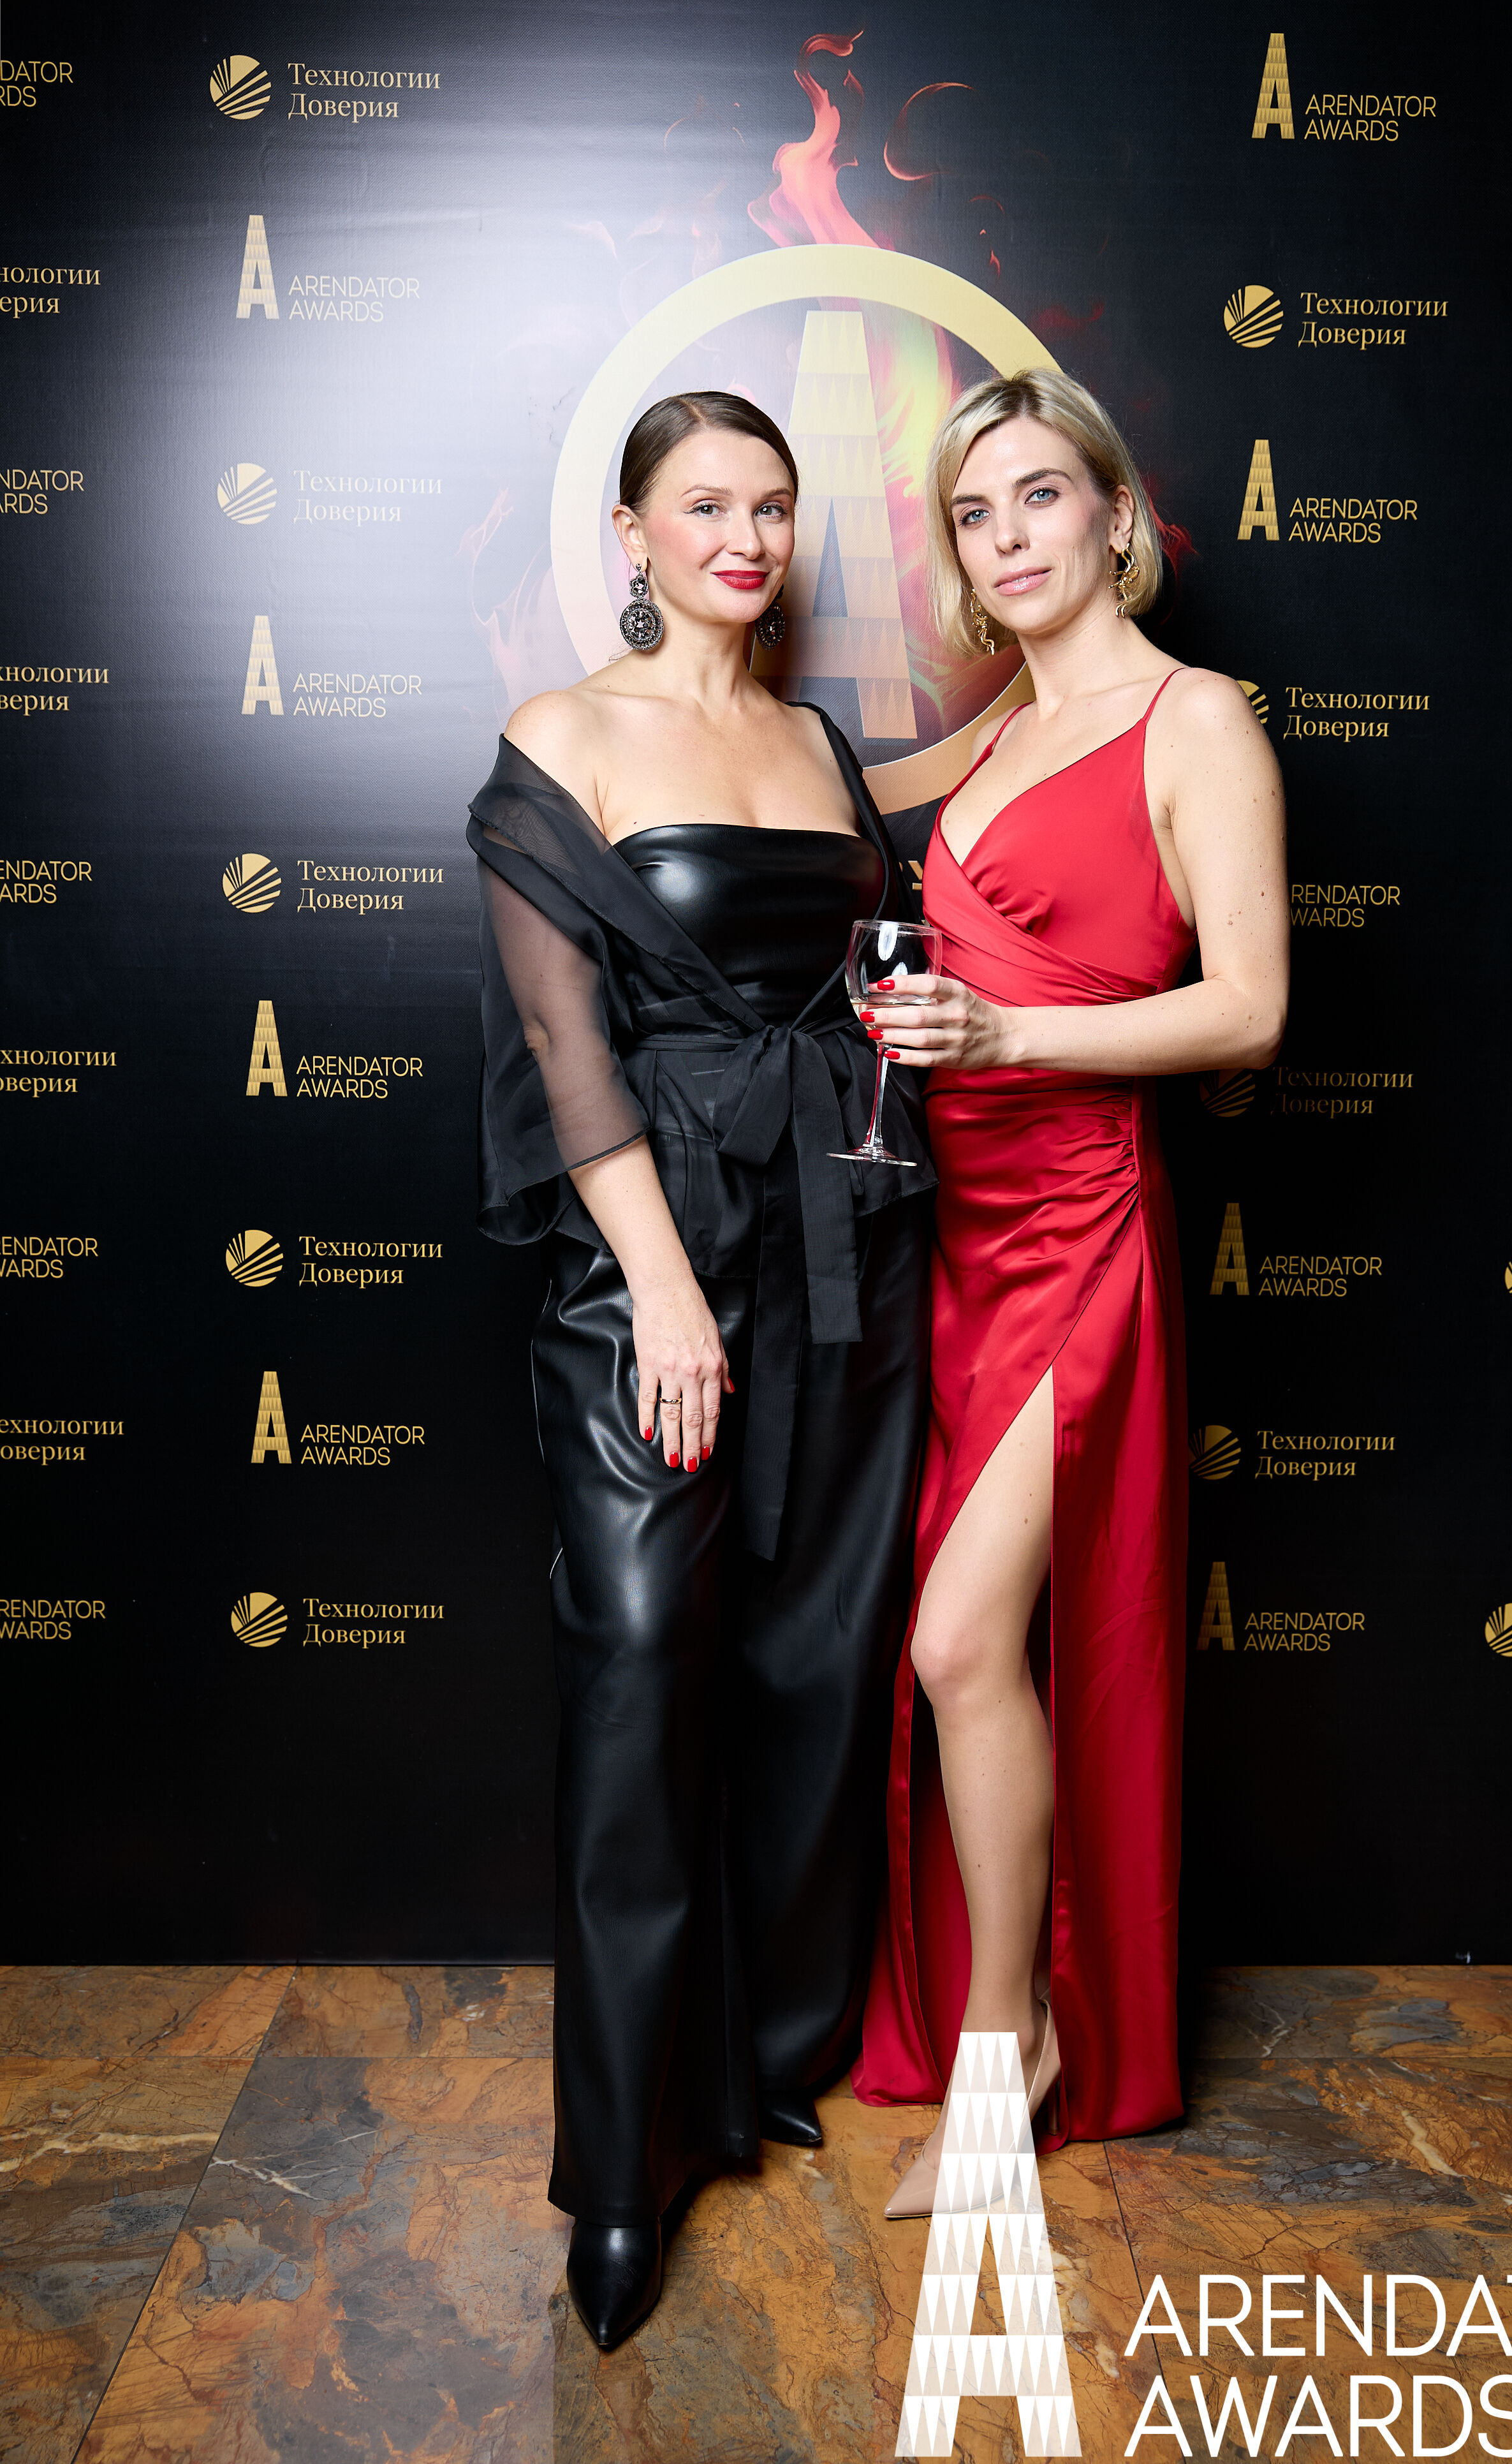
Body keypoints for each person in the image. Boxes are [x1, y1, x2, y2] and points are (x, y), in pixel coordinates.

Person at [467, 392, 933, 2345]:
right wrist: (659, 1292)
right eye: (705, 505)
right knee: (643, 1664)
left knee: (810, 1650)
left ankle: (757, 2060)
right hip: (649, 1258)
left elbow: (866, 964)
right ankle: (618, 2171)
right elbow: (565, 1047)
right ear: (632, 529)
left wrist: (901, 1034)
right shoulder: (563, 735)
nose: (744, 537)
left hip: (838, 1241)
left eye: (772, 506)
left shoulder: (817, 744)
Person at [851, 369, 1288, 2207]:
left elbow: (1250, 1012)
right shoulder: (994, 743)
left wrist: (1008, 1032)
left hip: (1083, 1234)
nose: (1008, 537)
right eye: (975, 512)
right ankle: (997, 2020)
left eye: (1040, 494)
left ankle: (1009, 2043)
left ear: (1116, 515)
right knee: (959, 1652)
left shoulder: (1197, 721)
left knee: (963, 1642)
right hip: (952, 1245)